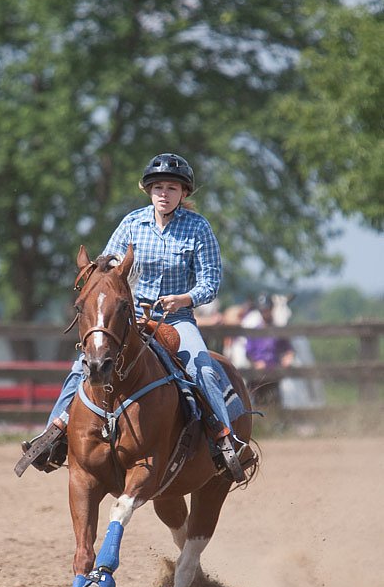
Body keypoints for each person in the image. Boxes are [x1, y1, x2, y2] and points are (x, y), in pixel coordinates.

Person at [21, 153, 247, 480]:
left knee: (203, 367)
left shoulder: (198, 228)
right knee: (81, 367)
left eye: (172, 188)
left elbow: (210, 282)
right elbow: (108, 267)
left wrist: (184, 298)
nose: (164, 193)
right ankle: (52, 436)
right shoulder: (132, 223)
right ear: (148, 191)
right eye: (158, 187)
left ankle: (223, 440)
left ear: (184, 193)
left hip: (177, 320)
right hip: (131, 320)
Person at [246, 294, 295, 406]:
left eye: (267, 310)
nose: (265, 313)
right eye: (262, 310)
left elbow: (288, 348)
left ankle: (276, 420)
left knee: (275, 400)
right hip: (258, 374)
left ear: (271, 309)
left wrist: (288, 357)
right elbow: (248, 352)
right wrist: (256, 363)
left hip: (273, 371)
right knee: (255, 399)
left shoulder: (277, 331)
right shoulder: (254, 331)